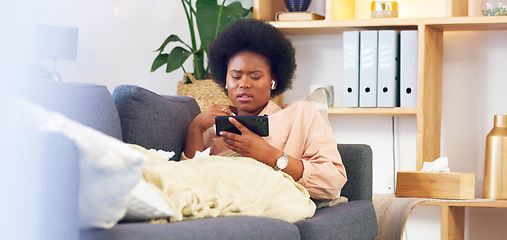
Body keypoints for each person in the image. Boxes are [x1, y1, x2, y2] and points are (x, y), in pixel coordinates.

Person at [183, 18, 346, 201]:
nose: (243, 84)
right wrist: (195, 129)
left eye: (255, 76)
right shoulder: (212, 123)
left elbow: (332, 182)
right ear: (225, 81)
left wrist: (271, 155)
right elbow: (188, 181)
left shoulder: (301, 115)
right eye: (236, 76)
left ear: (273, 80)